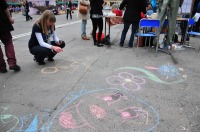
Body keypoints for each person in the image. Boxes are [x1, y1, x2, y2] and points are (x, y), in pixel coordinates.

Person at [0, 0, 21, 73]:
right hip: (2, 22)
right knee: (8, 42)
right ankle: (12, 63)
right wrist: (10, 18)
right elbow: (5, 8)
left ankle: (1, 67)